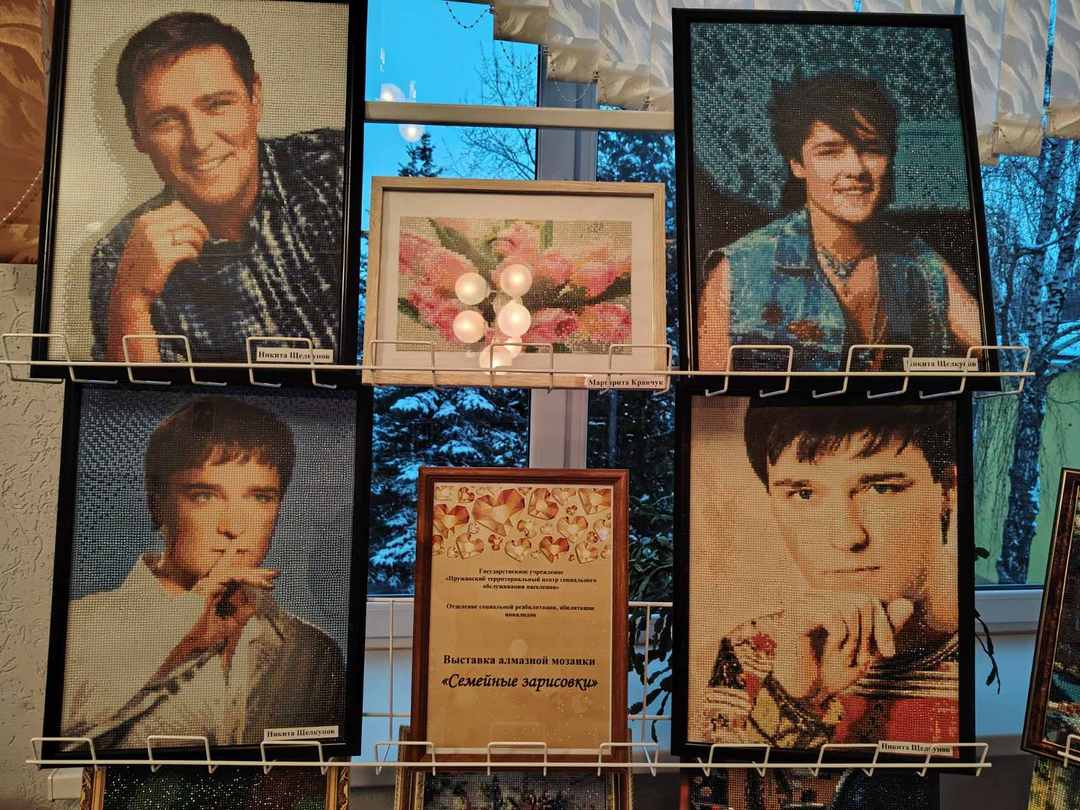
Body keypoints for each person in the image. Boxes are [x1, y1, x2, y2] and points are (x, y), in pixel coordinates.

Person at [61, 396, 345, 749]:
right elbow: (62, 753)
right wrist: (183, 636)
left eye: (260, 497)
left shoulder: (313, 651)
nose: (234, 526)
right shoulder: (81, 627)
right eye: (204, 496)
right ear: (156, 504)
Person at [89, 12, 344, 363]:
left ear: (255, 98)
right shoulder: (120, 254)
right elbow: (141, 395)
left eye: (217, 105)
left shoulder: (335, 164)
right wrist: (131, 303)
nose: (199, 141)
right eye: (166, 120)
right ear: (137, 134)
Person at [700, 404, 959, 747]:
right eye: (804, 494)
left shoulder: (981, 661)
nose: (847, 536)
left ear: (947, 491)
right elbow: (724, 783)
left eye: (881, 488)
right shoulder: (751, 652)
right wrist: (795, 697)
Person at [696, 71, 981, 372]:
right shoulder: (740, 269)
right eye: (830, 152)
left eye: (872, 149)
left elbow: (994, 355)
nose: (856, 168)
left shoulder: (922, 265)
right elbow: (710, 395)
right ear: (797, 164)